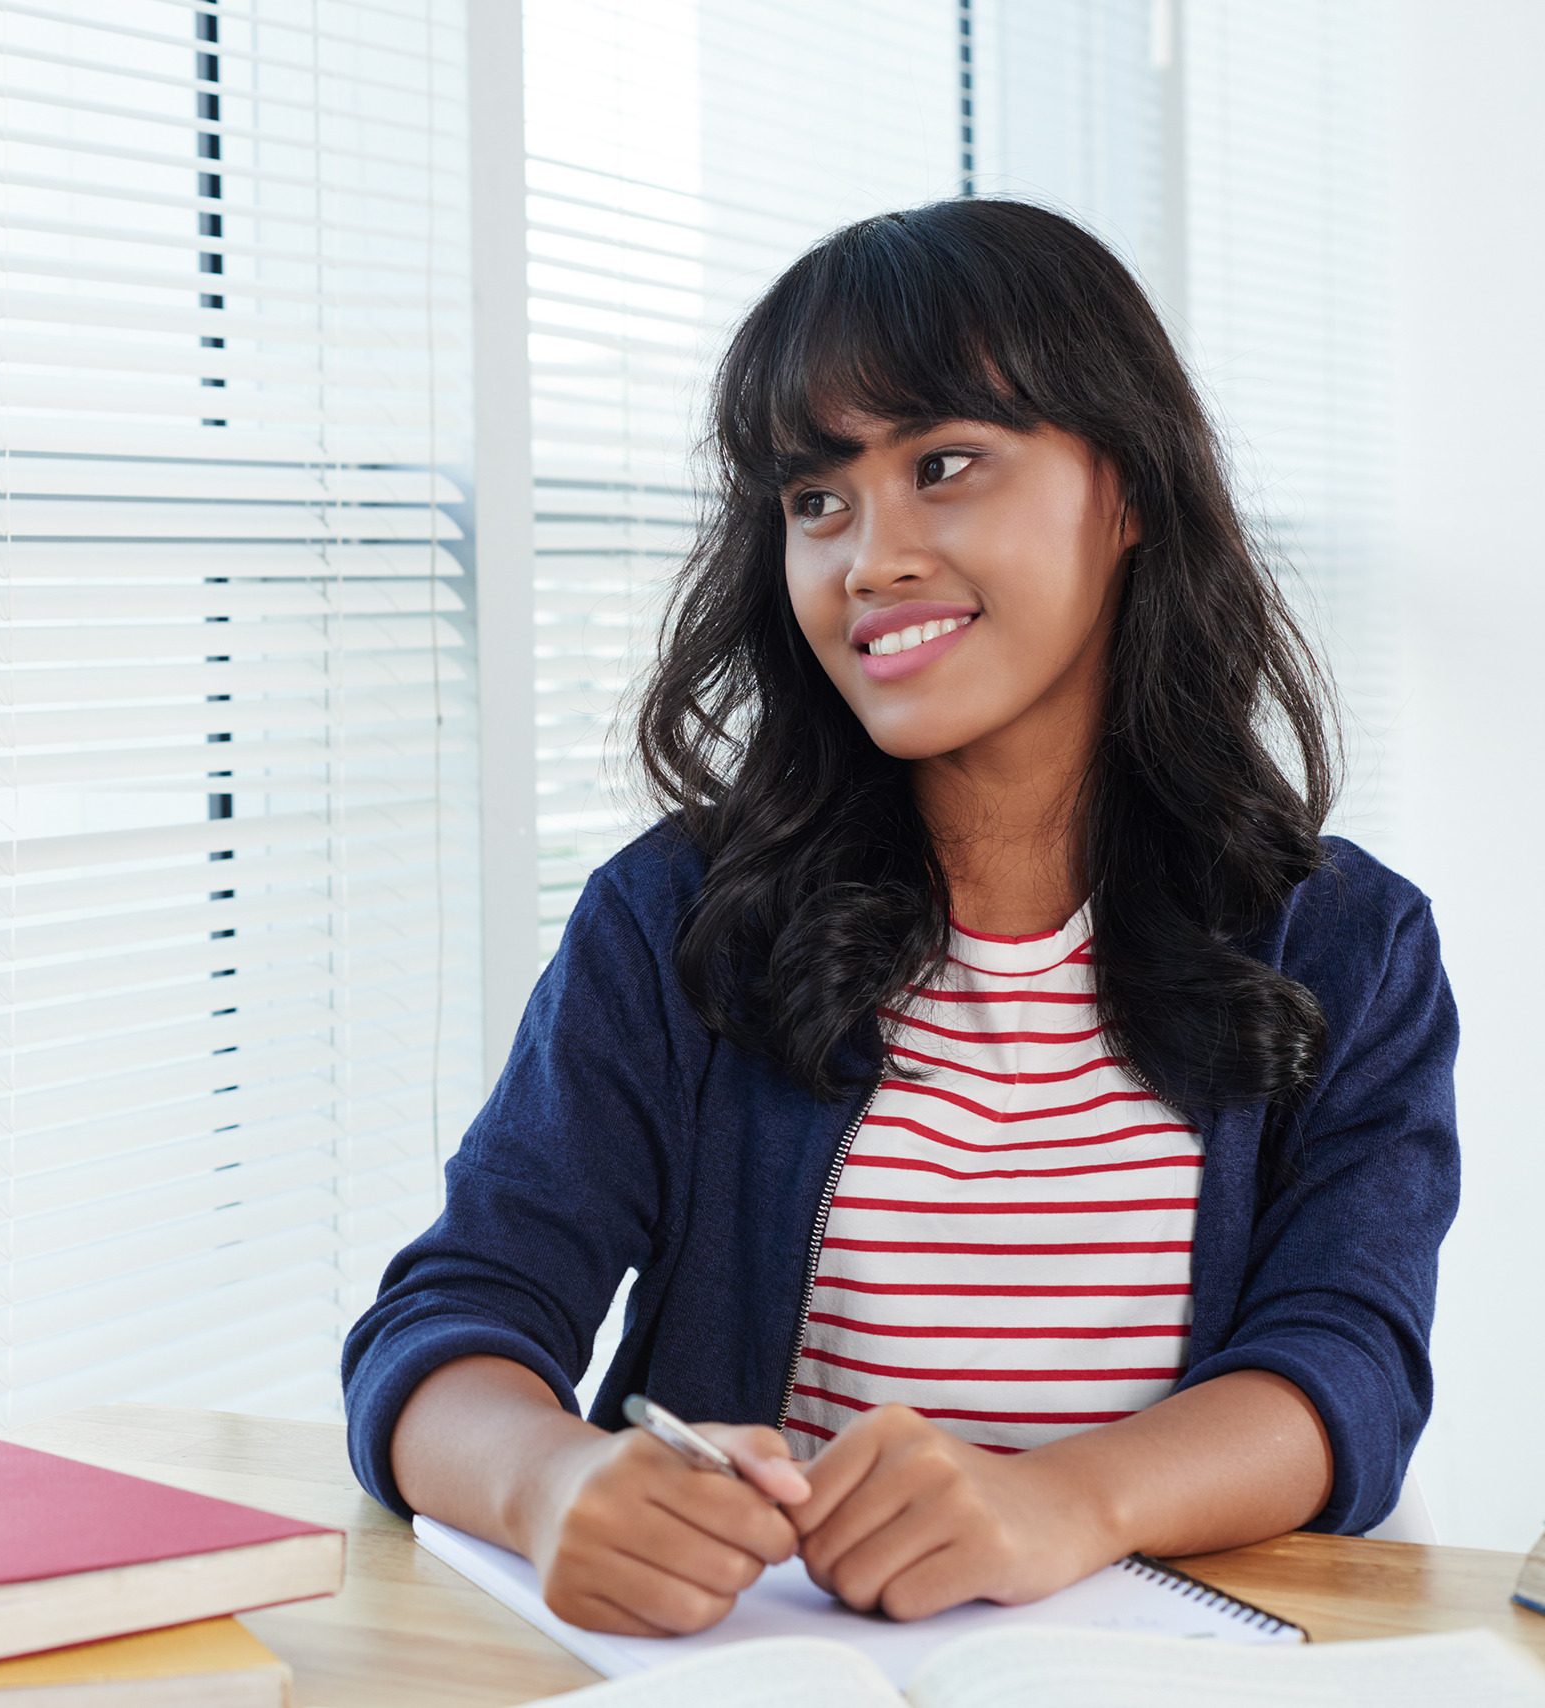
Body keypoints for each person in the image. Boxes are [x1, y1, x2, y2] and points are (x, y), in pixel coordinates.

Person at [340, 200, 1458, 1636]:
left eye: (943, 466)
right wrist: (552, 1483)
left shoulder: (1350, 946)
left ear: (1125, 492)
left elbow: (1349, 1364)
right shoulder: (679, 920)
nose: (870, 558)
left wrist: (1063, 1500)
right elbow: (448, 1322)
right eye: (818, 500)